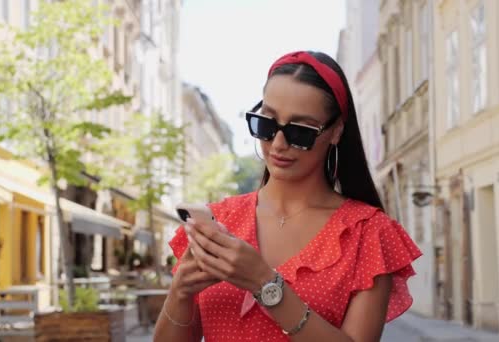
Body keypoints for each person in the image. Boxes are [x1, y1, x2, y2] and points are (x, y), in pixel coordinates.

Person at [153, 51, 422, 342]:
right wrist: (180, 292)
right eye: (266, 124)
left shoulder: (367, 233)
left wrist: (265, 284)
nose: (278, 144)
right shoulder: (219, 221)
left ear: (336, 131)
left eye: (301, 131)